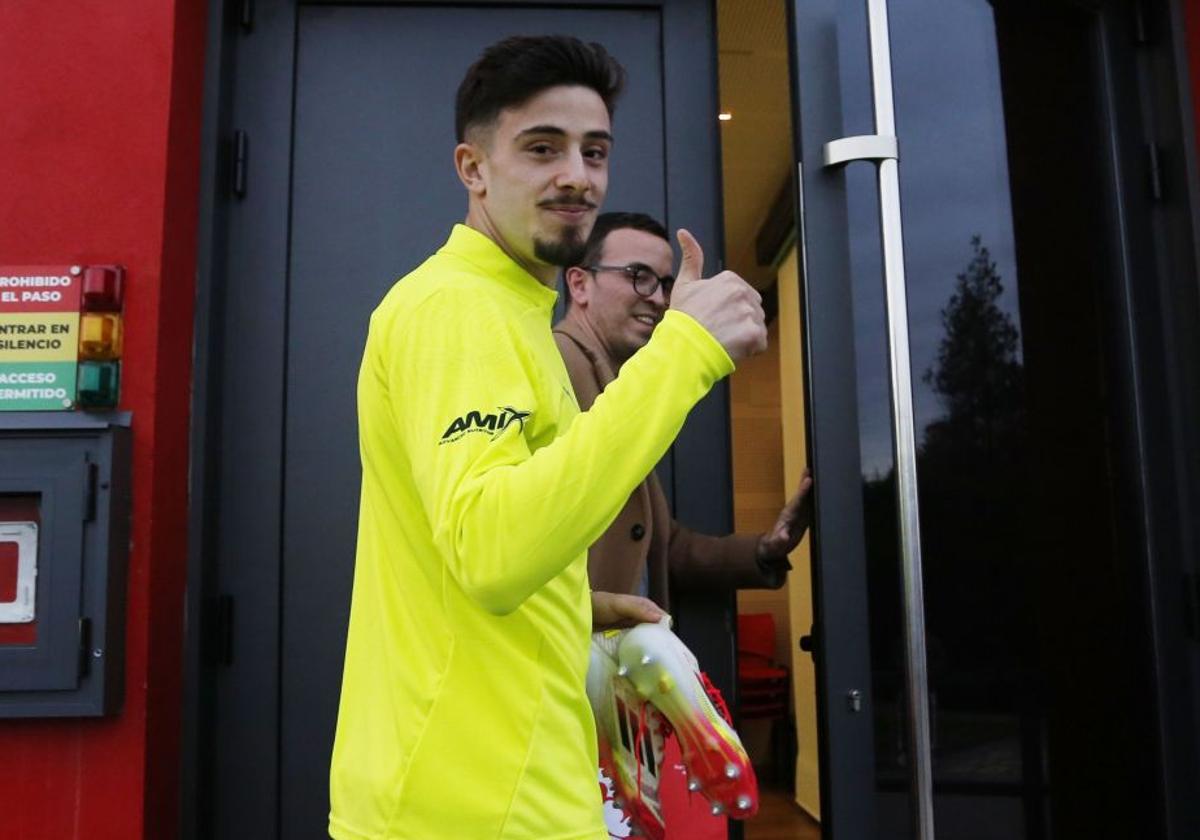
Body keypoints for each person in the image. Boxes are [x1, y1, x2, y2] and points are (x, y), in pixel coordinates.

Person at [328, 35, 767, 840]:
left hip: (490, 792)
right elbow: (494, 550)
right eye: (542, 148)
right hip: (473, 807)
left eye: (594, 151)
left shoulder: (510, 313)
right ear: (473, 168)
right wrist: (685, 353)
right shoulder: (458, 309)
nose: (577, 175)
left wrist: (580, 609)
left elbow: (470, 552)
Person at [555, 212, 813, 609]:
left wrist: (767, 547)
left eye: (666, 283)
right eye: (638, 275)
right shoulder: (554, 365)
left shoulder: (621, 379)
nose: (658, 298)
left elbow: (662, 547)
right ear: (579, 283)